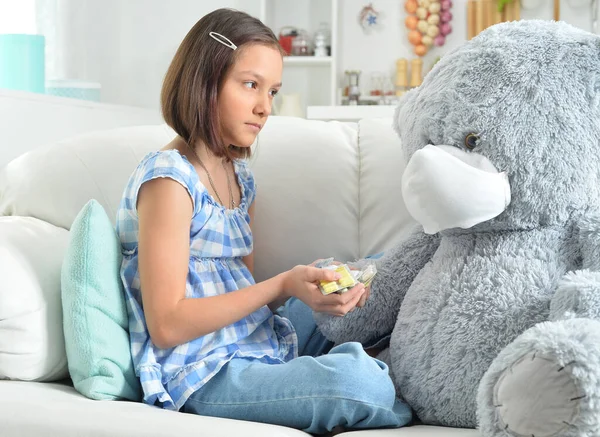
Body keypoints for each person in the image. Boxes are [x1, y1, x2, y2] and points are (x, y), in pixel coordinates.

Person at [116, 8, 412, 435]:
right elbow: (167, 325)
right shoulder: (169, 182)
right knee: (356, 384)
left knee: (392, 268)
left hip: (259, 340)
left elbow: (244, 296)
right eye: (250, 85)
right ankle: (375, 373)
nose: (264, 107)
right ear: (205, 81)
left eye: (272, 91)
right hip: (202, 372)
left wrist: (305, 288)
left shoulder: (240, 180)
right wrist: (282, 284)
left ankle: (376, 359)